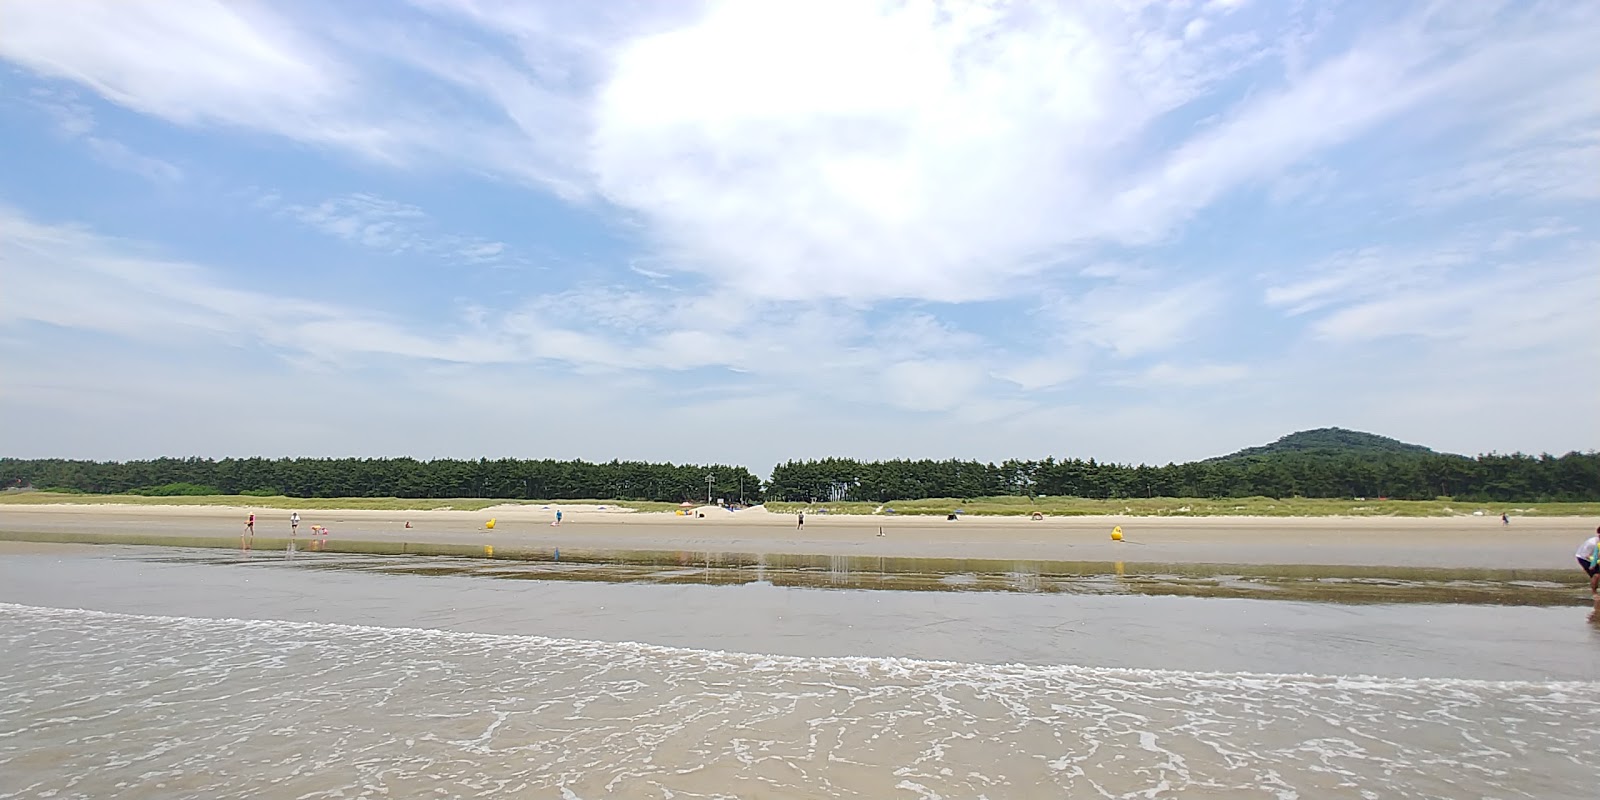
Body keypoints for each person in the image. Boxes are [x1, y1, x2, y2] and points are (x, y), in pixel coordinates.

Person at [1577, 527, 1600, 596]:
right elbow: (1586, 555)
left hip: (1595, 557)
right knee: (1596, 575)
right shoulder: (1592, 543)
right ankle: (1594, 592)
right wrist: (1593, 564)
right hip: (1583, 558)